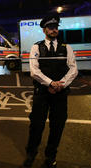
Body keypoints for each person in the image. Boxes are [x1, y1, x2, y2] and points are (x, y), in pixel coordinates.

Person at [23, 15, 78, 168]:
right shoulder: (36, 47)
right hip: (42, 92)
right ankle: (31, 154)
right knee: (36, 125)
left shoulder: (66, 47)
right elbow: (34, 71)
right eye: (51, 27)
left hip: (60, 93)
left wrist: (61, 84)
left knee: (57, 126)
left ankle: (51, 156)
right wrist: (50, 83)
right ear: (44, 29)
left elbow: (73, 69)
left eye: (56, 27)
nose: (54, 30)